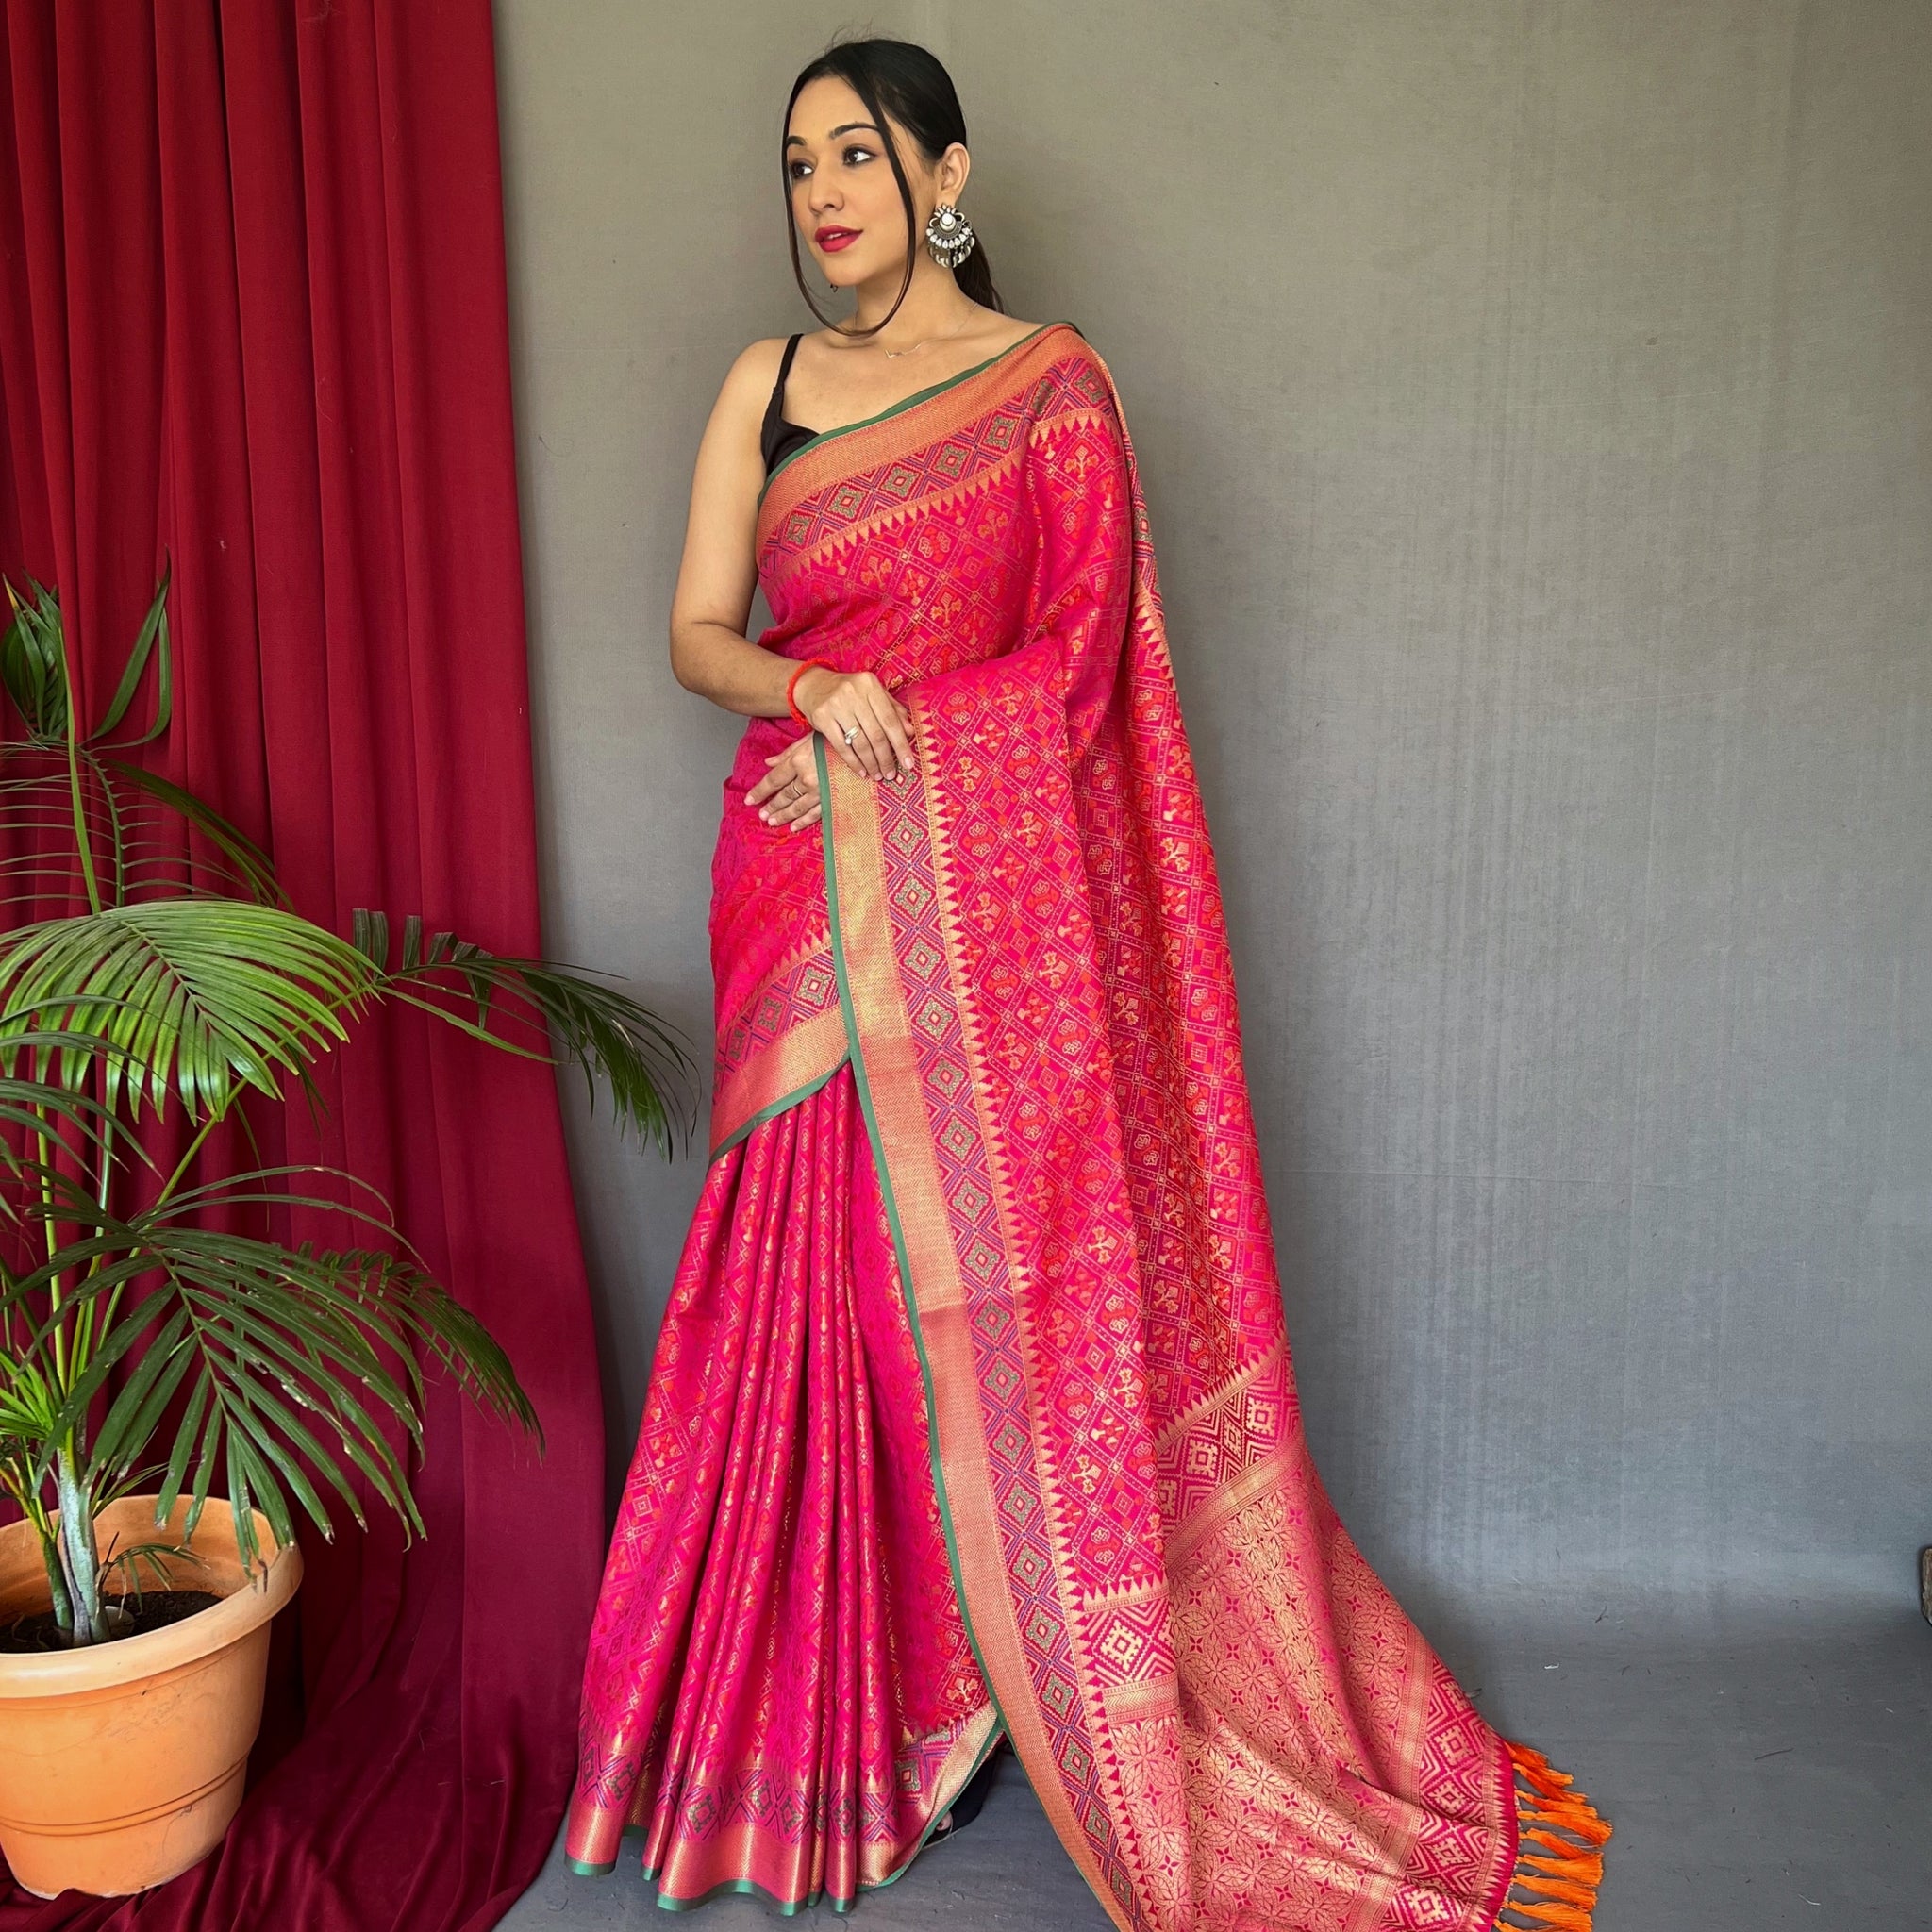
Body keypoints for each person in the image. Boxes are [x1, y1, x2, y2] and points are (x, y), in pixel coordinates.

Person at [565, 35, 1611, 1930]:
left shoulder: (1051, 391)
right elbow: (695, 630)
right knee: (817, 1292)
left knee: (928, 1306)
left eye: (859, 158)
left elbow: (1073, 676)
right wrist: (815, 694)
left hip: (958, 882)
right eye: (797, 162)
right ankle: (825, 1737)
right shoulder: (767, 386)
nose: (821, 196)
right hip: (794, 869)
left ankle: (965, 1701)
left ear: (944, 173)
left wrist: (903, 749)